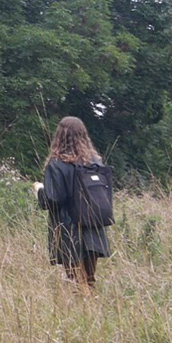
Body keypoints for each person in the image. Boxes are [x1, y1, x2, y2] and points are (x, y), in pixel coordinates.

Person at [36, 115, 112, 291]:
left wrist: (40, 191)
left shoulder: (57, 164)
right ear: (83, 134)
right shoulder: (95, 162)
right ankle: (92, 311)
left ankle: (83, 312)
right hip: (94, 226)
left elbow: (54, 200)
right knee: (90, 281)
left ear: (59, 135)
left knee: (76, 282)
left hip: (69, 229)